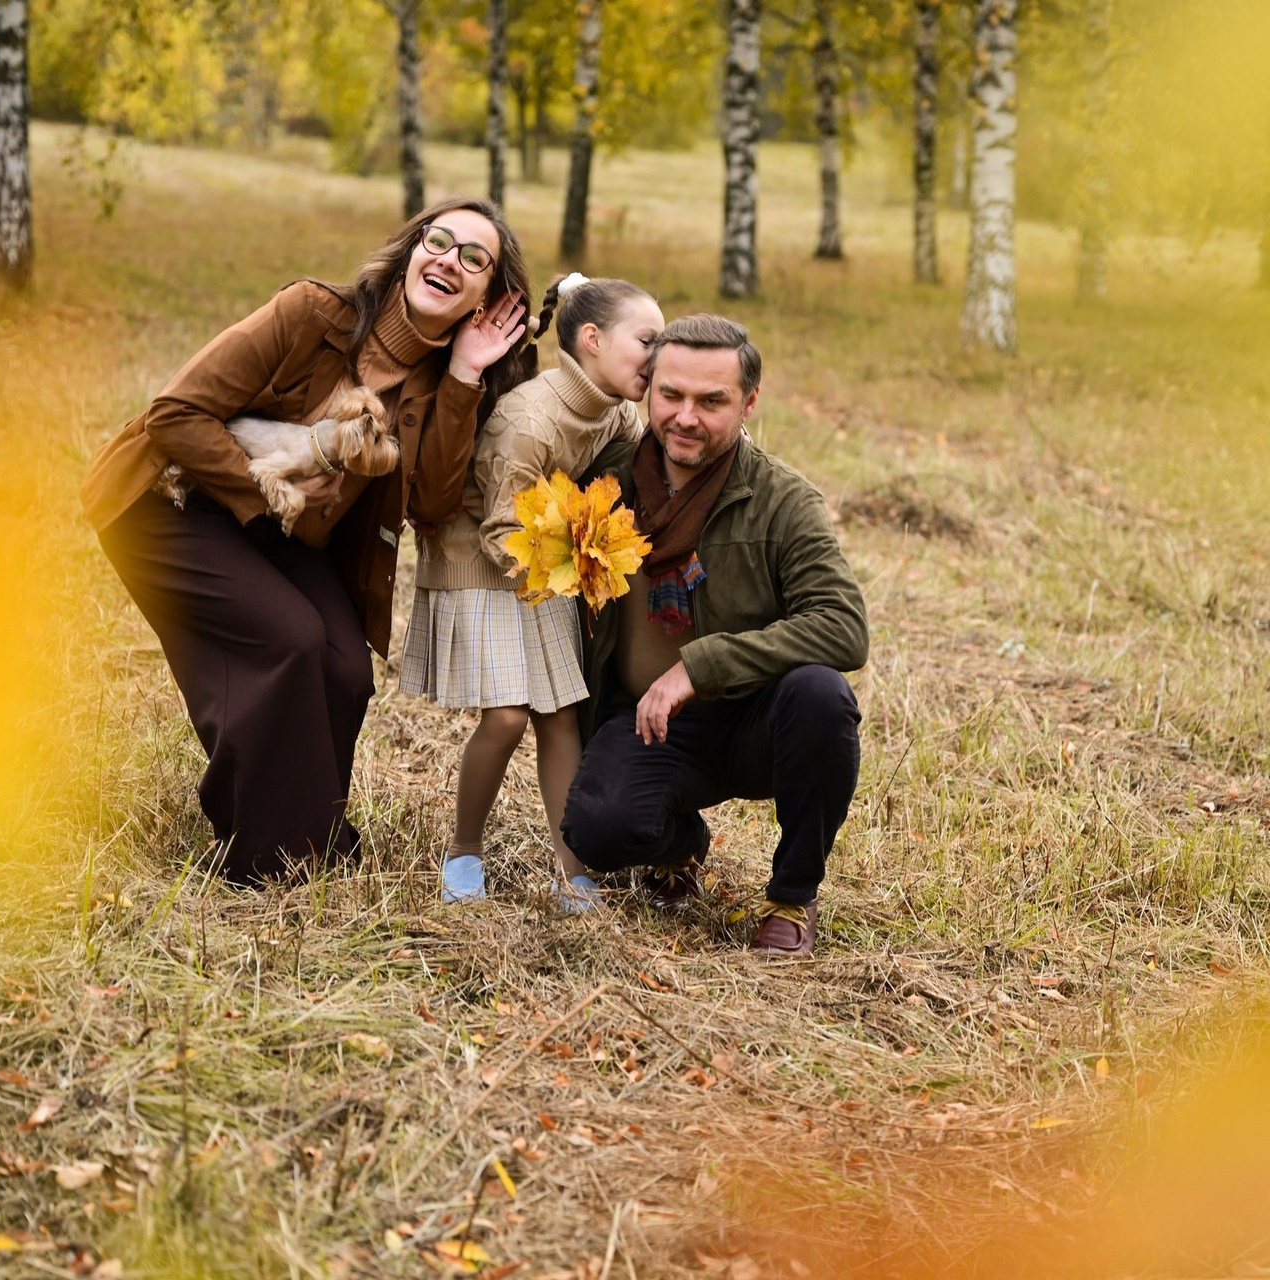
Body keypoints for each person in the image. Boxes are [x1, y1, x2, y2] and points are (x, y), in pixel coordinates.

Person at [81, 196, 535, 884]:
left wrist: (466, 376)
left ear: (487, 299)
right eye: (437, 241)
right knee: (289, 639)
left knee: (346, 670)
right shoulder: (312, 314)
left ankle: (305, 835)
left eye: (474, 259)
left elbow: (437, 507)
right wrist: (269, 499)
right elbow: (174, 414)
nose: (448, 259)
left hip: (280, 529)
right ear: (411, 251)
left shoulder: (439, 381)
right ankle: (266, 861)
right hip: (172, 499)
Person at [560, 314, 868, 957]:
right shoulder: (604, 481)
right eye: (671, 395)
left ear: (750, 401)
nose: (686, 417)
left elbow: (843, 626)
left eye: (712, 401)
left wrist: (700, 668)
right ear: (649, 387)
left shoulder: (784, 500)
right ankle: (679, 844)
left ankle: (791, 896)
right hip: (649, 722)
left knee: (821, 696)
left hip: (757, 718)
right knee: (597, 830)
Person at [399, 273, 664, 909]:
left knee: (558, 715)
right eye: (649, 340)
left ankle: (572, 871)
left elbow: (633, 466)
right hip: (483, 558)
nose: (661, 355)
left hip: (548, 556)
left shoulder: (616, 409)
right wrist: (576, 569)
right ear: (594, 340)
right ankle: (464, 848)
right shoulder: (529, 419)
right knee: (509, 715)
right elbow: (498, 527)